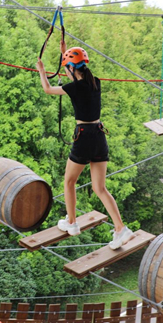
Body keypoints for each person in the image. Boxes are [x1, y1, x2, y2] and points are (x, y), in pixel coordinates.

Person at [37, 44, 133, 250]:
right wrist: (64, 51)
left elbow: (47, 89)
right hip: (99, 136)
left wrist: (42, 72)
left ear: (71, 68)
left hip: (84, 137)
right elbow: (75, 73)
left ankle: (72, 222)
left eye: (66, 68)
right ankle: (120, 228)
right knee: (100, 188)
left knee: (69, 181)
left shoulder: (74, 87)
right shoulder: (95, 82)